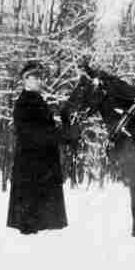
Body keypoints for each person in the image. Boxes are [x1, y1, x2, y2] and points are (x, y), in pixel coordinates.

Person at [6, 60, 80, 235]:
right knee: (32, 229)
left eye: (40, 77)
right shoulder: (23, 104)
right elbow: (36, 135)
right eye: (36, 77)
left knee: (44, 229)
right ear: (26, 79)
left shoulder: (38, 101)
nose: (40, 81)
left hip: (42, 172)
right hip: (32, 173)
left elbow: (46, 130)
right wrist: (63, 135)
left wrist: (67, 131)